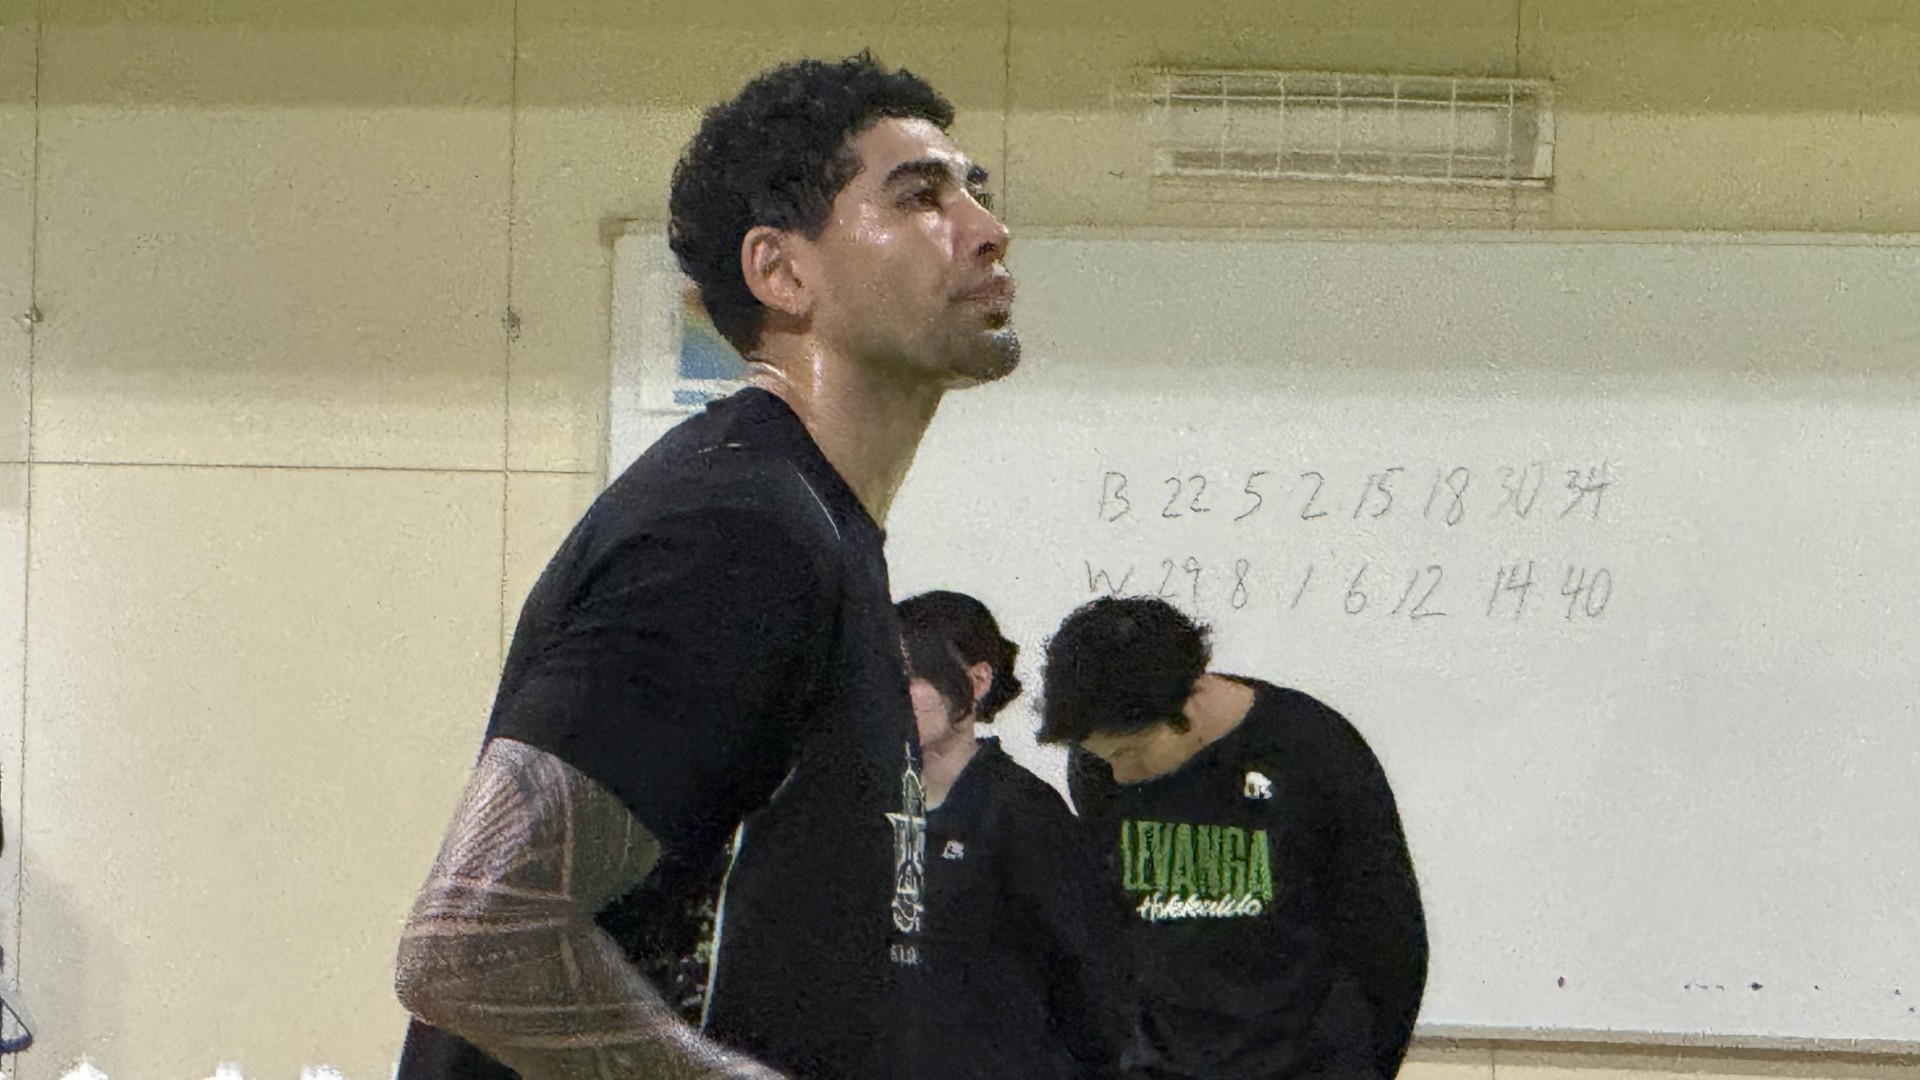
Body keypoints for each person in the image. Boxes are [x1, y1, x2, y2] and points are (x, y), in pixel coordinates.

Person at [393, 51, 1019, 1080]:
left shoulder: (811, 527)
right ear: (782, 272)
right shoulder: (736, 533)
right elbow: (471, 944)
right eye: (919, 197)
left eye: (975, 191)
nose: (987, 229)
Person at [1040, 597, 1427, 1080]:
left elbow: (1389, 940)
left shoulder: (1311, 751)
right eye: (1103, 757)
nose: (1119, 775)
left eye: (1131, 752)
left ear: (1186, 704)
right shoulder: (1100, 767)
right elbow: (1115, 932)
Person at [894, 591, 1129, 1080]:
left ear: (978, 681)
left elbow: (1091, 981)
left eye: (914, 676)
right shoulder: (858, 804)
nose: (893, 693)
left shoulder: (1023, 812)